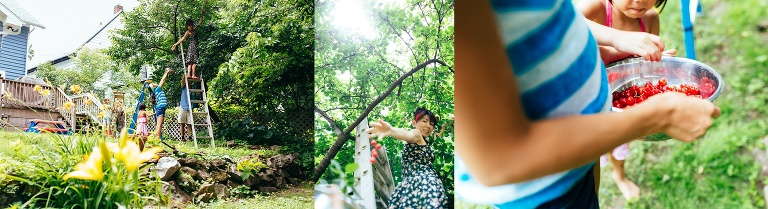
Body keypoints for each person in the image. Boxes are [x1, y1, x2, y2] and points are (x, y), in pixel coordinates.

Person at [453, 0, 721, 208]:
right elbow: (497, 160)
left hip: (586, 144)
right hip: (548, 190)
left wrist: (613, 46)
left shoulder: (648, 18)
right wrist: (657, 117)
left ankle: (616, 174)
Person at [577, 0, 673, 201]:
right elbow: (570, 22)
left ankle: (619, 175)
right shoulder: (595, 9)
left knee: (620, 145)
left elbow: (647, 65)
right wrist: (616, 39)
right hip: (591, 106)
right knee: (595, 153)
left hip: (623, 106)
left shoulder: (651, 18)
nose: (640, 0)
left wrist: (658, 61)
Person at [366, 107, 447, 208]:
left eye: (431, 124)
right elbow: (407, 134)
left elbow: (436, 136)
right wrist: (391, 130)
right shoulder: (416, 134)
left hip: (411, 185)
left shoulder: (425, 141)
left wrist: (444, 127)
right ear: (414, 123)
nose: (428, 126)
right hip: (424, 182)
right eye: (425, 121)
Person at [151, 68, 172, 139]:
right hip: (160, 108)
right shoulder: (157, 89)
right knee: (159, 125)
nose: (155, 83)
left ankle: (156, 138)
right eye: (153, 84)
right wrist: (166, 73)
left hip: (161, 108)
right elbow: (163, 80)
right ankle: (157, 139)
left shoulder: (157, 91)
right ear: (154, 87)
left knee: (159, 125)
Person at [178, 76, 193, 142]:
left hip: (190, 108)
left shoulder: (193, 89)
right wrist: (186, 74)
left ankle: (190, 137)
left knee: (189, 124)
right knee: (182, 123)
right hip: (183, 107)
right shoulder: (184, 87)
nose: (189, 81)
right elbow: (183, 81)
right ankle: (182, 137)